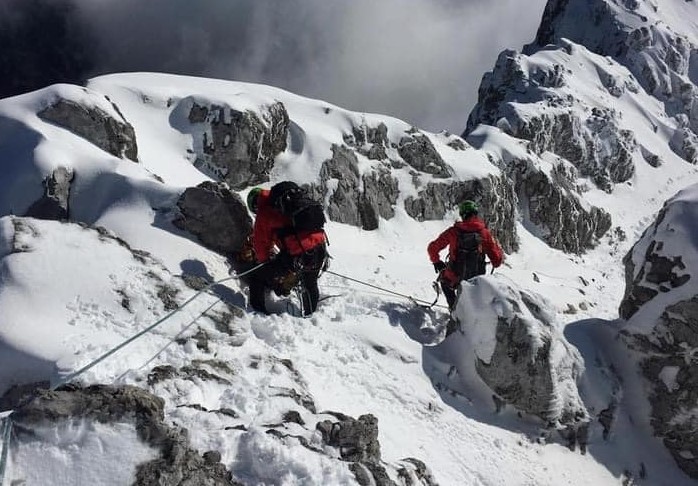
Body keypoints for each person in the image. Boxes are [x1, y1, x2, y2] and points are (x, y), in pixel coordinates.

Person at [246, 185, 328, 316]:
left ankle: (258, 312)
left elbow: (261, 245)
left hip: (299, 253)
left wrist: (266, 265)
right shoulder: (288, 201)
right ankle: (310, 316)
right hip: (320, 247)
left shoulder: (264, 212)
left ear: (255, 205)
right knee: (310, 284)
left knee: (257, 276)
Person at [427, 200, 504, 310]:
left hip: (455, 277)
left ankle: (454, 310)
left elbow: (432, 248)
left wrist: (437, 262)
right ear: (475, 214)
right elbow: (496, 261)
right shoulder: (484, 233)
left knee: (444, 282)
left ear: (463, 215)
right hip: (478, 279)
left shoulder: (453, 231)